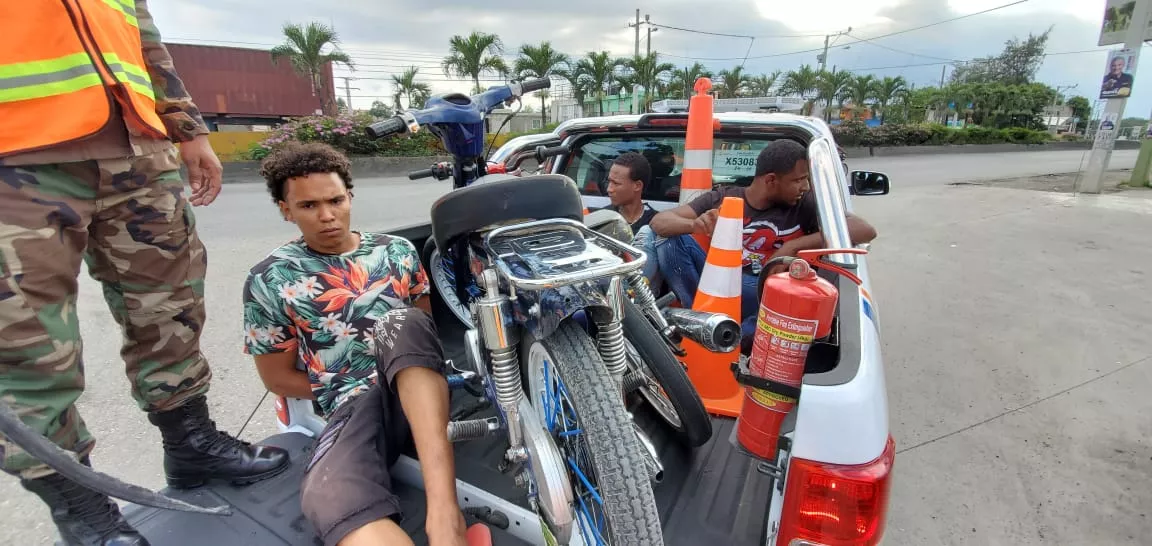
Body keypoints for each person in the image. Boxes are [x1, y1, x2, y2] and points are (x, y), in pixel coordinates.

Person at [0, 2, 290, 544]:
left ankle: (191, 445)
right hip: (16, 155)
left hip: (136, 146)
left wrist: (184, 126)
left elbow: (143, 37)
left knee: (170, 307)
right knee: (25, 344)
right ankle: (77, 503)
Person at [243, 143, 472, 546]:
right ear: (285, 210)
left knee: (402, 320)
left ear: (350, 196)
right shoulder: (271, 278)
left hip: (417, 393)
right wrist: (342, 384)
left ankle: (444, 514)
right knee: (329, 497)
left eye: (335, 200)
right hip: (354, 407)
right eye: (309, 206)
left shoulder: (396, 252)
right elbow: (278, 378)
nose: (327, 216)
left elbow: (423, 334)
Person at [649, 139, 877, 339]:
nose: (805, 186)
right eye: (799, 180)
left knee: (782, 299)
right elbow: (660, 221)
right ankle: (702, 322)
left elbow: (864, 230)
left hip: (763, 291)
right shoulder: (723, 197)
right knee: (667, 238)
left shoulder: (804, 204)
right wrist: (693, 225)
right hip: (716, 286)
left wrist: (794, 245)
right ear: (770, 180)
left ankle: (723, 332)